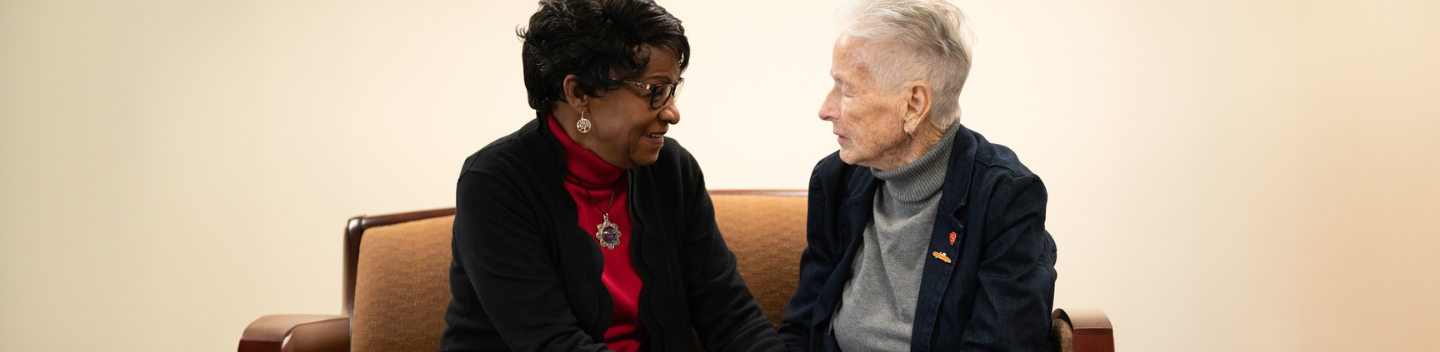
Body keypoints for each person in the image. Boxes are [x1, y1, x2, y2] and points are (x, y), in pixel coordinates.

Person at [440, 1, 784, 351]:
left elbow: (731, 316)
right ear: (579, 94)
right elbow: (552, 343)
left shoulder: (672, 169)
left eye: (672, 89)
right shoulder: (496, 184)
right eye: (654, 91)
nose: (672, 112)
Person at [779, 0, 1058, 351]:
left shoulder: (1006, 197)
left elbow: (1002, 344)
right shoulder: (835, 179)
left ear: (913, 105)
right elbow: (802, 327)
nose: (825, 109)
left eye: (846, 89)